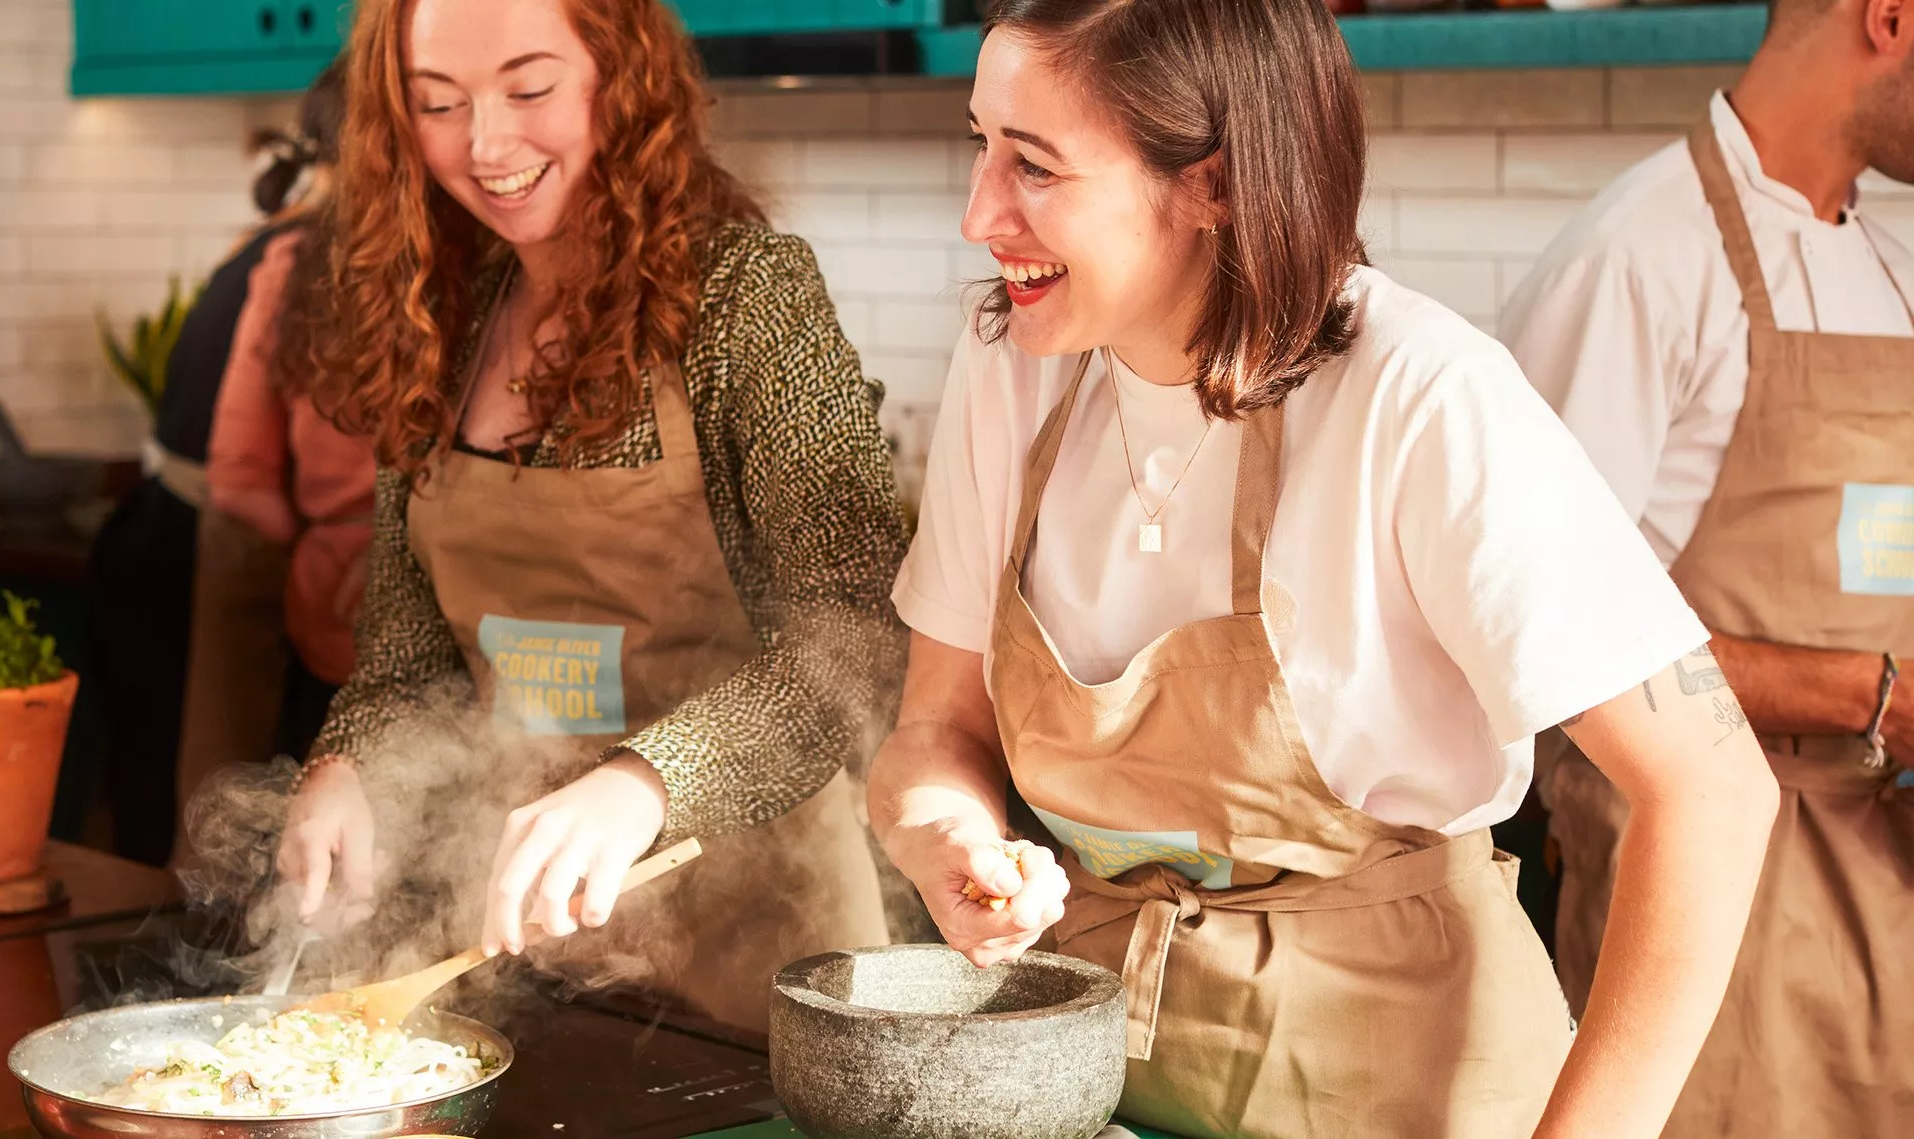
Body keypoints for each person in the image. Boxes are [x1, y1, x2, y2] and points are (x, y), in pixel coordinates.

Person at [868, 1, 1779, 1136]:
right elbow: (933, 730)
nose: (978, 214)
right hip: (1103, 1072)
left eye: (1036, 167)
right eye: (980, 144)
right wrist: (950, 837)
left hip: (1409, 1081)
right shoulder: (1015, 368)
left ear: (1214, 184)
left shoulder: (1422, 396)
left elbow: (1713, 789)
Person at [274, 0, 902, 1032]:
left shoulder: (744, 296)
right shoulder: (441, 318)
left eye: (529, 89)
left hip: (770, 963)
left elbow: (858, 639)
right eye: (437, 104)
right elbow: (405, 660)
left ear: (624, 77)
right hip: (516, 952)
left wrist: (646, 781)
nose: (486, 144)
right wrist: (349, 764)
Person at [1499, 0, 1914, 1132]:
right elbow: (1546, 629)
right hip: (1709, 896)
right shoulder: (1639, 259)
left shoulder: (1892, 258)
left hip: (1882, 891)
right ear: (1889, 18)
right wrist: (1874, 694)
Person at [88, 67, 365, 868]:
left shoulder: (267, 244)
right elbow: (248, 490)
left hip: (156, 541)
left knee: (162, 821)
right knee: (203, 828)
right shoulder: (307, 264)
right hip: (199, 559)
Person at [178, 66, 378, 827]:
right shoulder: (293, 264)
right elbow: (243, 484)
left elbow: (242, 479)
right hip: (356, 634)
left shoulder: (291, 262)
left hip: (344, 627)